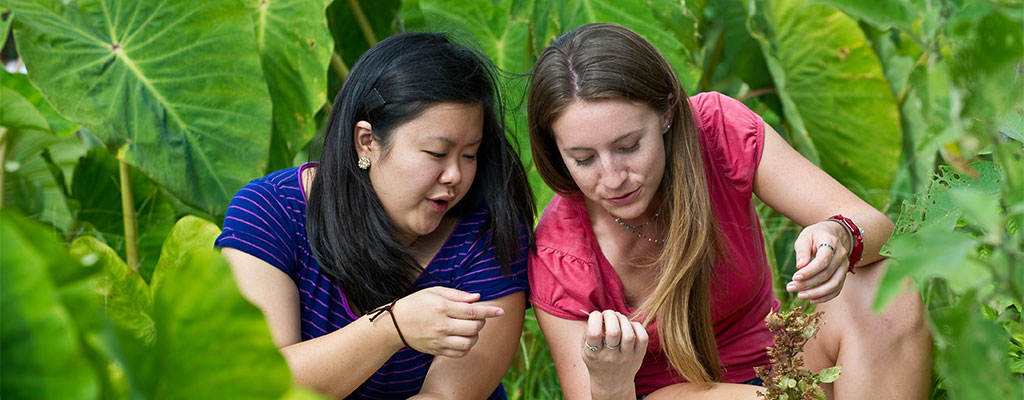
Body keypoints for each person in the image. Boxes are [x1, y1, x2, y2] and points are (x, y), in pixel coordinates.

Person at [526, 23, 932, 400]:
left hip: (777, 369)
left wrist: (840, 235)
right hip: (668, 395)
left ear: (667, 112)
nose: (612, 177)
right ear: (556, 151)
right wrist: (609, 383)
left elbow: (876, 228)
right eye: (583, 159)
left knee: (882, 286)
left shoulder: (718, 132)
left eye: (629, 146)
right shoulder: (560, 254)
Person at [215, 32, 535, 399]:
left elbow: (445, 396)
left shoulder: (486, 232)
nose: (455, 176)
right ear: (366, 141)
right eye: (436, 153)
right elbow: (259, 385)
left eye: (469, 154)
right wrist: (391, 329)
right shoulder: (270, 211)